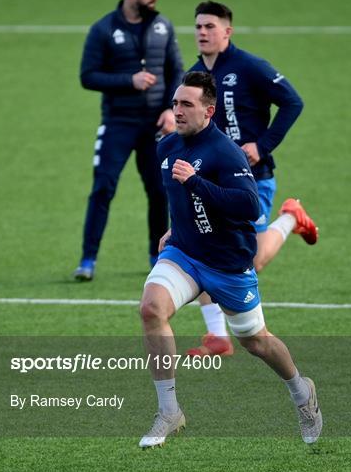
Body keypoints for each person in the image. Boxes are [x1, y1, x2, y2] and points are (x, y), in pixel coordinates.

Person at [138, 72, 322, 448]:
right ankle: (169, 411)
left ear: (209, 111)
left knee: (256, 342)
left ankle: (302, 391)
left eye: (187, 104)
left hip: (228, 266)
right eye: (176, 103)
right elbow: (177, 196)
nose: (178, 110)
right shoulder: (167, 146)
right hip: (185, 254)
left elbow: (247, 205)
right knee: (151, 309)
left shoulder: (226, 153)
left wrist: (197, 183)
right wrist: (176, 227)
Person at [186, 1, 317, 355]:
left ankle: (291, 217)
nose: (202, 32)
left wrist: (264, 145)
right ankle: (217, 337)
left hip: (252, 177)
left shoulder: (250, 67)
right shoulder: (195, 76)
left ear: (227, 31)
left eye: (210, 26)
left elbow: (293, 102)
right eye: (198, 26)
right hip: (211, 180)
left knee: (251, 260)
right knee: (201, 245)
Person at [73, 0, 184, 281]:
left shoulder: (163, 26)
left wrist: (169, 110)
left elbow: (176, 71)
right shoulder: (103, 30)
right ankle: (88, 260)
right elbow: (88, 76)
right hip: (118, 123)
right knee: (103, 187)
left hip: (155, 125)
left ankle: (158, 256)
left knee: (159, 190)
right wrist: (129, 80)